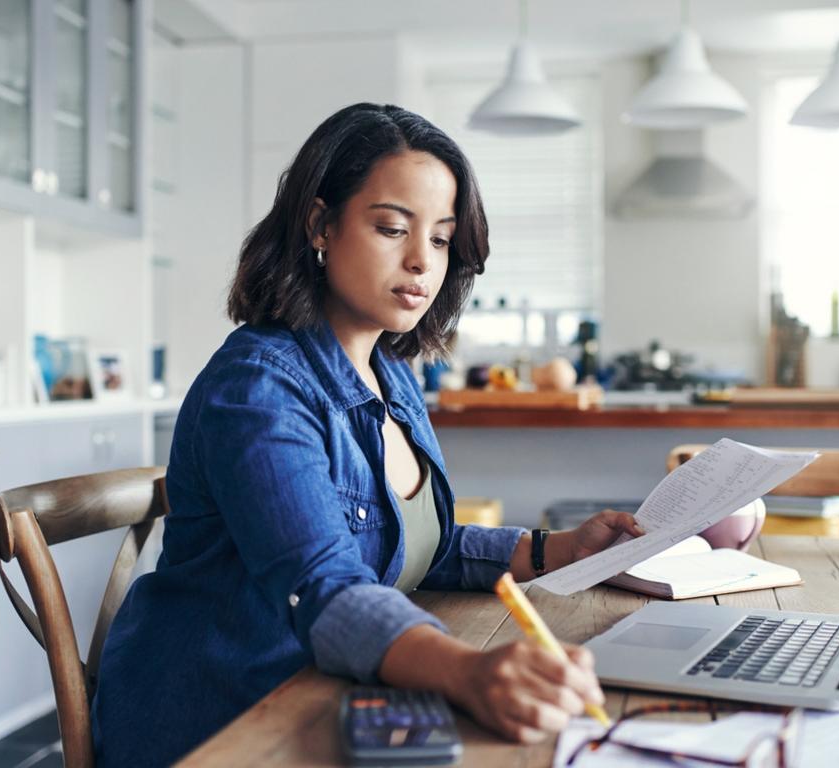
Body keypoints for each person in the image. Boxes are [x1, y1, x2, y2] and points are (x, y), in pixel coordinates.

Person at [90, 103, 644, 767]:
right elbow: (325, 583)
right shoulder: (258, 389)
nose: (420, 261)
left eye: (440, 239)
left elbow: (416, 550)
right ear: (320, 224)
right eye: (392, 228)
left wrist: (557, 550)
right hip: (224, 724)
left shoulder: (393, 374)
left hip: (323, 695)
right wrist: (469, 671)